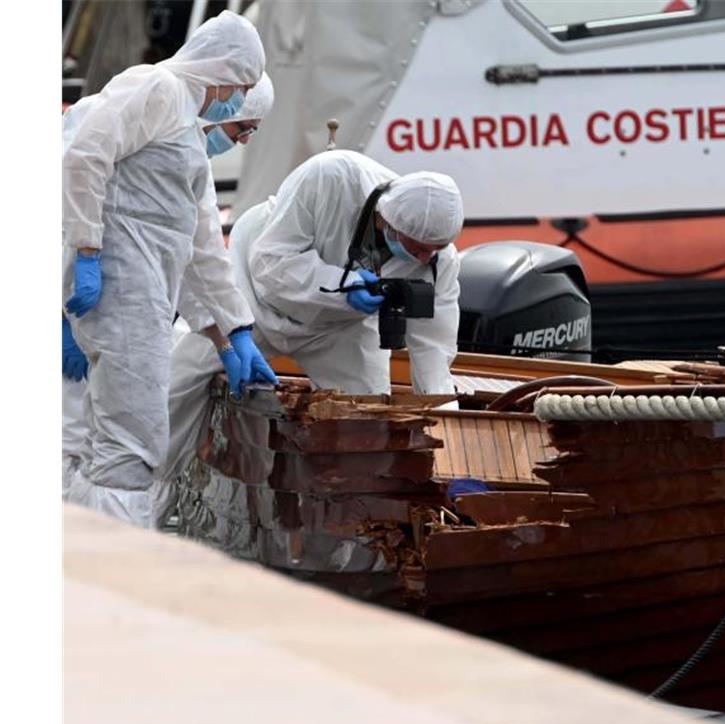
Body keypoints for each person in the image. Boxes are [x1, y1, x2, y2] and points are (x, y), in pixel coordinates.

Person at [151, 150, 463, 519]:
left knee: (365, 423)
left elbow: (434, 351)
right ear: (387, 221)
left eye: (436, 250)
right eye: (418, 247)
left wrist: (450, 447)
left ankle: (357, 528)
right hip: (251, 297)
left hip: (339, 328)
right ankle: (137, 509)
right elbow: (270, 262)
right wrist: (340, 285)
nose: (426, 258)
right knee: (175, 385)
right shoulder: (330, 177)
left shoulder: (440, 260)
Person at [62, 11, 278, 528]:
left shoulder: (187, 138)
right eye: (240, 92)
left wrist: (232, 334)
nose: (236, 102)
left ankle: (90, 553)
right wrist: (85, 256)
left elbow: (200, 250)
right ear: (223, 71)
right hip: (113, 291)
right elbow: (83, 160)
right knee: (123, 442)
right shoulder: (157, 87)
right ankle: (115, 563)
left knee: (118, 439)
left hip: (139, 299)